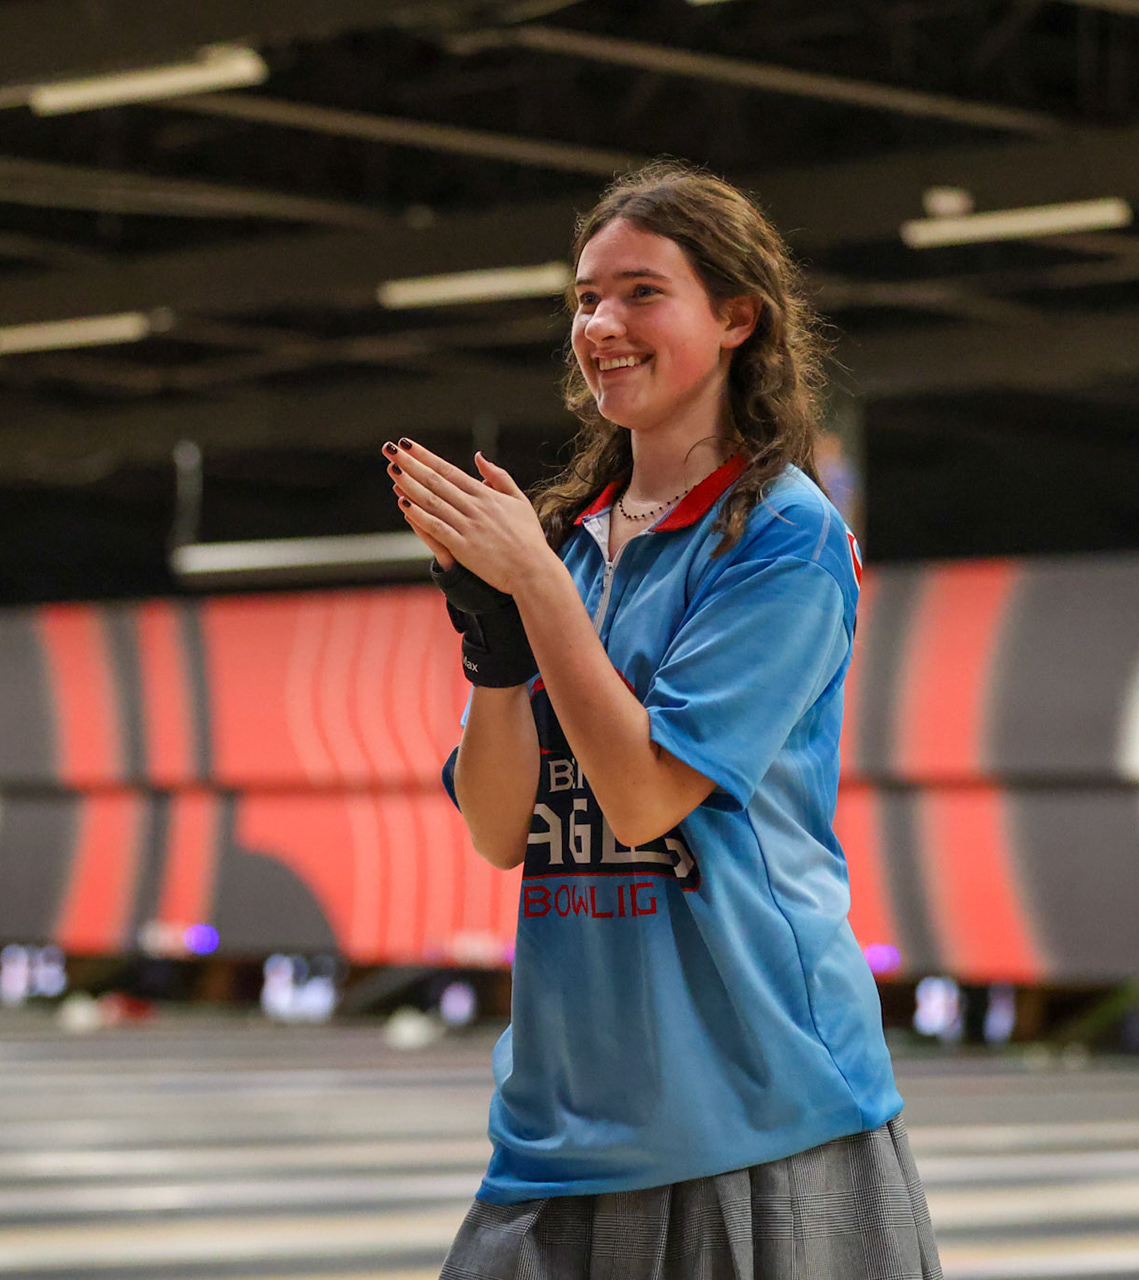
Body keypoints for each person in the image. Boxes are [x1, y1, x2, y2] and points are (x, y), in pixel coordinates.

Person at [385, 162, 940, 1280]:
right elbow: (501, 829)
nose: (602, 324)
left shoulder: (785, 539)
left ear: (739, 317)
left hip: (756, 1108)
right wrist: (493, 636)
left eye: (642, 292)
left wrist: (535, 586)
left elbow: (642, 796)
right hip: (560, 1112)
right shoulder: (575, 540)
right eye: (586, 297)